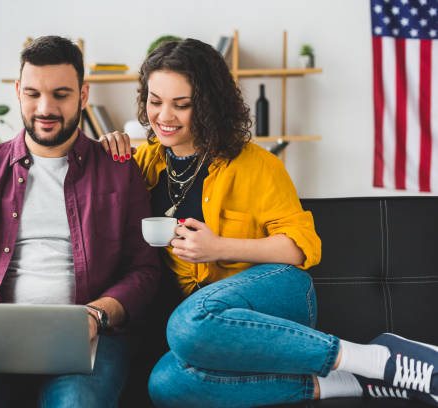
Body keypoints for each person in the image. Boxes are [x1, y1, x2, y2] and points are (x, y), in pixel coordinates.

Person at [101, 38, 438, 407]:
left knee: (186, 323)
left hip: (276, 296)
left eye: (182, 105)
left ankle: (376, 358)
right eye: (155, 101)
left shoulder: (257, 164)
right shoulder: (145, 163)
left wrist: (218, 248)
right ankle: (348, 382)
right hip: (211, 332)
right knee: (165, 384)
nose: (164, 116)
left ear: (209, 105)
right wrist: (103, 151)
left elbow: (301, 248)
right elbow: (94, 193)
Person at [0, 35, 161, 408]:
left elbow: (144, 269)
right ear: (19, 92)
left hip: (90, 342)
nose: (46, 107)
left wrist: (95, 314)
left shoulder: (119, 171)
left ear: (83, 96)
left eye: (61, 94)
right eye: (34, 93)